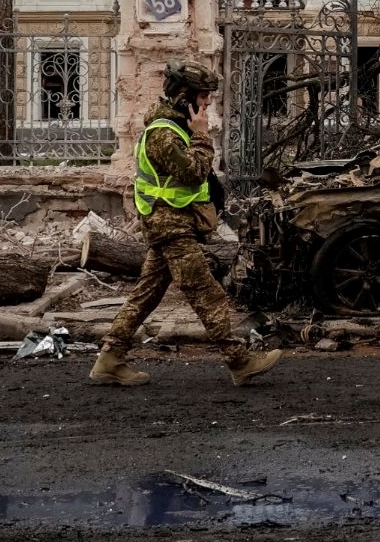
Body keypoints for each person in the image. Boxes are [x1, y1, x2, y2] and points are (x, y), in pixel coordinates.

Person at [90, 59, 282, 387]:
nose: (207, 103)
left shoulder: (175, 127)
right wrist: (203, 137)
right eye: (203, 97)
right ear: (183, 97)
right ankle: (239, 361)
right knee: (206, 293)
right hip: (168, 224)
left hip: (171, 221)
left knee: (146, 294)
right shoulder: (164, 134)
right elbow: (194, 171)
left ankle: (109, 358)